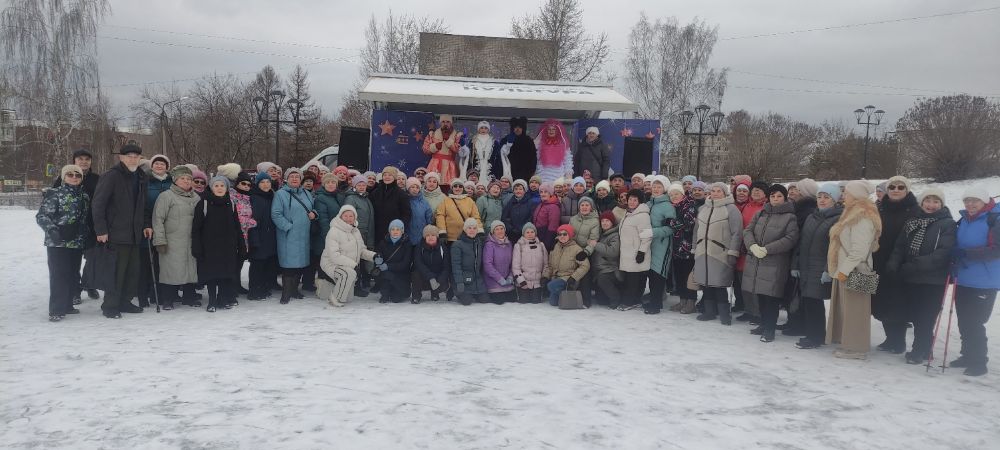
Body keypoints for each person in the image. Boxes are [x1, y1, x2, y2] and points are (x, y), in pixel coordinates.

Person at [884, 187, 957, 365]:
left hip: (933, 279)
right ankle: (926, 349)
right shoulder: (913, 221)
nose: (931, 205)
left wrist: (916, 264)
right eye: (927, 201)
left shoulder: (947, 224)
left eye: (936, 201)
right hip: (912, 277)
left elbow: (943, 252)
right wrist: (893, 264)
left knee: (926, 316)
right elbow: (901, 245)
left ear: (941, 204)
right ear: (921, 202)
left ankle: (918, 350)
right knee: (917, 316)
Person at [91, 144, 151, 318]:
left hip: (135, 234)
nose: (133, 159)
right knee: (117, 272)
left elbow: (144, 205)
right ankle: (110, 306)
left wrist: (146, 224)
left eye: (136, 156)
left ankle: (125, 301)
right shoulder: (112, 176)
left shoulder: (141, 177)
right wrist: (101, 230)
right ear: (121, 157)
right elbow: (98, 204)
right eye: (129, 156)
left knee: (132, 272)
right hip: (116, 233)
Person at [826, 180, 882, 360]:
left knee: (856, 311)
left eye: (847, 193)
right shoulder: (852, 212)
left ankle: (856, 348)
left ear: (856, 195)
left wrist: (844, 270)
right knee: (848, 310)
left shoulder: (863, 216)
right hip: (847, 269)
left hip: (856, 270)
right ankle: (848, 343)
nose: (844, 195)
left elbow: (859, 250)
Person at [949, 186, 999, 376]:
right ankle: (967, 355)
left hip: (984, 280)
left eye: (975, 200)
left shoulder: (994, 219)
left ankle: (979, 362)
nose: (970, 204)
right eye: (967, 200)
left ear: (984, 201)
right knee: (964, 320)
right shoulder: (964, 219)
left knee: (975, 322)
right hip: (963, 278)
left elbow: (996, 250)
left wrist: (966, 253)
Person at [742, 184, 800, 342]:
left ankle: (770, 329)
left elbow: (790, 238)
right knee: (760, 295)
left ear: (785, 198)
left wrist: (767, 249)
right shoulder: (761, 213)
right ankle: (763, 323)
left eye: (779, 196)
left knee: (771, 298)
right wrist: (752, 246)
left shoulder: (790, 217)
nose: (775, 199)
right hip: (756, 261)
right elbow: (747, 231)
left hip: (774, 262)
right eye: (773, 196)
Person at [792, 183, 843, 349]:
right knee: (808, 300)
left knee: (815, 301)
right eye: (820, 197)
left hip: (820, 267)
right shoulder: (811, 217)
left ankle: (816, 337)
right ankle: (812, 334)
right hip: (806, 265)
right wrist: (796, 264)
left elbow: (836, 248)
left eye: (826, 197)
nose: (822, 200)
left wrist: (828, 269)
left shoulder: (838, 219)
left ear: (835, 200)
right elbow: (801, 242)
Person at [872, 175, 920, 354]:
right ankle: (889, 339)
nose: (896, 190)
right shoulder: (880, 207)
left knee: (897, 304)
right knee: (881, 302)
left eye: (901, 187)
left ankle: (898, 341)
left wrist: (903, 261)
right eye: (892, 187)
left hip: (901, 264)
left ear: (907, 190)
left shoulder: (915, 210)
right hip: (878, 261)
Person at [37, 164, 92, 321]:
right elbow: (42, 216)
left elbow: (85, 218)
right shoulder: (55, 193)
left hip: (76, 242)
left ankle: (68, 305)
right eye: (70, 174)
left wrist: (86, 233)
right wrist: (52, 230)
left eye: (77, 175)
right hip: (58, 242)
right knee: (59, 275)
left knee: (72, 274)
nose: (74, 177)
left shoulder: (84, 196)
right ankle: (56, 309)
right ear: (63, 177)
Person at [52, 149, 101, 302]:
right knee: (74, 261)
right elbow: (54, 200)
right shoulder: (63, 178)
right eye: (80, 159)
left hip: (92, 225)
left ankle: (89, 284)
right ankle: (75, 290)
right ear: (74, 160)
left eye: (87, 159)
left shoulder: (97, 179)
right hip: (71, 228)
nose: (84, 162)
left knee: (92, 258)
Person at [192, 176, 245, 312]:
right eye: (216, 186)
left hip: (228, 246)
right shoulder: (203, 203)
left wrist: (241, 244)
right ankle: (212, 301)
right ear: (211, 188)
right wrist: (197, 246)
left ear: (227, 188)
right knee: (212, 274)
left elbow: (237, 226)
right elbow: (196, 228)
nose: (219, 188)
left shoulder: (231, 203)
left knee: (225, 273)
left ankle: (222, 299)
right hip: (210, 246)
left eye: (222, 186)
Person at [150, 165, 200, 310]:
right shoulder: (166, 196)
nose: (186, 181)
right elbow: (158, 219)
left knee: (191, 268)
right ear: (175, 180)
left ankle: (189, 296)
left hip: (191, 240)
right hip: (172, 242)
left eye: (189, 179)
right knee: (170, 270)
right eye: (182, 178)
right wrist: (159, 240)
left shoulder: (196, 197)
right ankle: (168, 298)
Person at [692, 183, 743, 325]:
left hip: (720, 253)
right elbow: (696, 231)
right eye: (713, 191)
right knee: (706, 284)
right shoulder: (703, 208)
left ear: (725, 193)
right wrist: (694, 248)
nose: (715, 193)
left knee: (719, 284)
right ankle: (709, 312)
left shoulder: (731, 209)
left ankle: (724, 314)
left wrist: (733, 251)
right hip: (703, 252)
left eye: (719, 191)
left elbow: (737, 233)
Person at [270, 168, 316, 304]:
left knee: (300, 264)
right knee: (288, 265)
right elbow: (276, 214)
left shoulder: (307, 193)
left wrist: (314, 214)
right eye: (292, 177)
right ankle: (286, 293)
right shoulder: (280, 194)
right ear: (286, 179)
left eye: (297, 177)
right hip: (288, 236)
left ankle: (294, 290)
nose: (295, 179)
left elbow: (313, 208)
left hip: (304, 234)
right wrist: (288, 227)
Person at [317, 205, 377, 307]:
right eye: (345, 216)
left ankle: (323, 286)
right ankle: (334, 298)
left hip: (348, 265)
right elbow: (334, 255)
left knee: (348, 298)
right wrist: (354, 265)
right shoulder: (334, 231)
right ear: (340, 216)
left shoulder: (355, 231)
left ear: (355, 217)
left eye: (351, 216)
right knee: (348, 274)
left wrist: (374, 256)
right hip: (331, 263)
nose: (348, 218)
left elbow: (361, 250)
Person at [138, 154, 172, 308]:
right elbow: (142, 205)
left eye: (162, 164)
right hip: (148, 227)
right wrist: (146, 224)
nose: (159, 166)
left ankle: (156, 294)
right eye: (156, 163)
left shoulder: (171, 182)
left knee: (161, 263)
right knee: (146, 262)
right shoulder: (145, 181)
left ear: (167, 167)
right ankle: (142, 295)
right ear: (152, 166)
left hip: (166, 228)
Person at [645, 175, 677, 315]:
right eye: (654, 186)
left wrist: (653, 232)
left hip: (662, 244)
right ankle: (654, 301)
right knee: (651, 274)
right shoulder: (648, 204)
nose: (656, 189)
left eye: (659, 187)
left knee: (658, 274)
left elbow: (671, 228)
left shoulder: (667, 206)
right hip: (648, 244)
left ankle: (655, 304)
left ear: (664, 189)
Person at [342, 174, 376, 297]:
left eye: (363, 185)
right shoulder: (351, 198)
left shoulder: (365, 198)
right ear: (354, 186)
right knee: (354, 260)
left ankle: (362, 283)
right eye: (359, 185)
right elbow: (348, 218)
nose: (362, 187)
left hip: (366, 233)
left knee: (362, 260)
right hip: (356, 234)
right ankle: (354, 286)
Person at [618, 189, 653, 309]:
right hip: (627, 252)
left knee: (633, 279)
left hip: (636, 252)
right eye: (630, 199)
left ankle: (630, 302)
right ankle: (634, 299)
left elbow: (647, 236)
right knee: (630, 278)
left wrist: (641, 252)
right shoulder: (628, 213)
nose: (632, 202)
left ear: (640, 201)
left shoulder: (642, 215)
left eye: (635, 200)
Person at [667, 183, 698, 314]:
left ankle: (691, 302)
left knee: (688, 276)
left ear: (682, 194)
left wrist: (670, 222)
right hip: (676, 247)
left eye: (676, 194)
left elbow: (688, 224)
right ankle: (682, 300)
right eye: (671, 195)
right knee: (679, 276)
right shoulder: (673, 207)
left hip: (687, 247)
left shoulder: (689, 205)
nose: (674, 197)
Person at [247, 172, 278, 300]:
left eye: (268, 182)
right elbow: (253, 220)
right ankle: (253, 291)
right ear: (257, 184)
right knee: (257, 265)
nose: (266, 185)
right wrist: (254, 239)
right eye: (262, 182)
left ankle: (263, 288)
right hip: (258, 236)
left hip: (269, 236)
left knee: (266, 264)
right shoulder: (254, 197)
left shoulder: (272, 196)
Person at [544, 224, 590, 307]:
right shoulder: (555, 247)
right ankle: (566, 294)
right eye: (560, 234)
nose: (562, 236)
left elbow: (585, 266)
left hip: (568, 279)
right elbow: (550, 265)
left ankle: (571, 294)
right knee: (553, 303)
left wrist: (574, 277)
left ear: (570, 235)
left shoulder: (576, 249)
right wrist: (545, 276)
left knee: (550, 285)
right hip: (556, 278)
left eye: (565, 234)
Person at [569, 196, 601, 306]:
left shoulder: (595, 221)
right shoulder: (573, 219)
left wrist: (586, 252)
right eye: (582, 205)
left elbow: (594, 239)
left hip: (585, 251)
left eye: (587, 205)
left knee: (585, 273)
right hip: (573, 249)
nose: (584, 207)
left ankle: (586, 299)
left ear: (591, 207)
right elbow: (569, 234)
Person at [451, 218, 489, 305]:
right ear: (465, 229)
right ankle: (459, 293)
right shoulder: (457, 245)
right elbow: (456, 266)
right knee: (467, 301)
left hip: (477, 280)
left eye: (474, 228)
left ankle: (475, 292)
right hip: (463, 280)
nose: (472, 230)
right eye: (469, 228)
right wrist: (459, 282)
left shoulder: (479, 243)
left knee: (485, 300)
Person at [374, 220, 413, 303]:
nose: (395, 232)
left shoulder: (407, 244)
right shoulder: (383, 242)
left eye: (398, 229)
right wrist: (378, 258)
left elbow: (405, 264)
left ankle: (396, 291)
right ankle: (385, 294)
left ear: (402, 231)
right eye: (393, 229)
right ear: (389, 231)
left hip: (401, 275)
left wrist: (388, 266)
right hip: (386, 274)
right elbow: (378, 253)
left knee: (396, 299)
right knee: (385, 275)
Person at [369, 166, 411, 243]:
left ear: (394, 177)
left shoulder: (401, 194)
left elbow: (406, 214)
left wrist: (399, 228)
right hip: (377, 231)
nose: (387, 177)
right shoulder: (375, 193)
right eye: (385, 175)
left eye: (390, 175)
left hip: (394, 232)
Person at [590, 211, 622, 309]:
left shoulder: (615, 235)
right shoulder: (601, 234)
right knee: (601, 301)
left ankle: (616, 299)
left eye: (607, 221)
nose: (604, 223)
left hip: (610, 269)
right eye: (603, 221)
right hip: (599, 269)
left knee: (602, 279)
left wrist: (596, 245)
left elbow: (613, 252)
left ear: (612, 222)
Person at [412, 225, 451, 303]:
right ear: (424, 237)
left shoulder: (442, 247)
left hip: (437, 276)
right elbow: (418, 264)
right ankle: (416, 296)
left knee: (444, 282)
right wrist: (430, 277)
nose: (430, 237)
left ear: (437, 236)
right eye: (428, 235)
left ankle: (435, 293)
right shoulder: (419, 247)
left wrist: (440, 280)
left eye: (433, 235)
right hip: (424, 276)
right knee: (416, 274)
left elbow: (446, 266)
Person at [435, 179, 482, 243]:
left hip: (466, 236)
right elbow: (440, 216)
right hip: (449, 237)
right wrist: (442, 231)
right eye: (455, 186)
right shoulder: (445, 200)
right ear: (452, 188)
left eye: (460, 186)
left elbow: (476, 217)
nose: (458, 188)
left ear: (463, 188)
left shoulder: (469, 201)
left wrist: (479, 230)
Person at [512, 223, 549, 304]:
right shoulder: (518, 246)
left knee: (536, 303)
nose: (530, 234)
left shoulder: (541, 245)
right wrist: (521, 281)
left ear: (535, 233)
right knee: (524, 303)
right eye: (527, 232)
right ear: (523, 234)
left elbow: (546, 264)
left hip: (537, 283)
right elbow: (515, 267)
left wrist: (544, 277)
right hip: (524, 282)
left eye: (532, 232)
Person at [422, 114, 463, 183]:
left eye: (448, 122)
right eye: (443, 122)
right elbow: (425, 149)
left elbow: (459, 150)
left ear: (451, 123)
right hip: (435, 164)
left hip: (450, 166)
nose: (445, 124)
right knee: (433, 182)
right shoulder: (433, 134)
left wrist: (448, 140)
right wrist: (435, 146)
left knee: (448, 184)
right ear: (440, 123)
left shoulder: (457, 135)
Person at [482, 220, 515, 304]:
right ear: (493, 232)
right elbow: (487, 265)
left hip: (507, 281)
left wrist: (510, 276)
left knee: (512, 299)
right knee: (500, 301)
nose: (500, 231)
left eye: (501, 228)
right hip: (494, 281)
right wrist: (499, 278)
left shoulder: (509, 244)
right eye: (497, 229)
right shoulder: (489, 245)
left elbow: (513, 263)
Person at [534, 119, 572, 183]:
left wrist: (568, 175)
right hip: (543, 175)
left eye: (553, 129)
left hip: (558, 176)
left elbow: (568, 161)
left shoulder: (563, 144)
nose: (551, 131)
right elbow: (535, 160)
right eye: (549, 129)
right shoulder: (540, 143)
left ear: (557, 131)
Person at [500, 116, 537, 182]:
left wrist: (531, 171)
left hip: (525, 173)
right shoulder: (506, 140)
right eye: (516, 127)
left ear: (523, 128)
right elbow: (501, 156)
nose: (517, 129)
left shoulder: (528, 140)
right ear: (512, 128)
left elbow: (533, 157)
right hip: (509, 172)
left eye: (520, 127)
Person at [502, 179, 535, 244]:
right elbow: (505, 217)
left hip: (525, 234)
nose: (518, 191)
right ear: (513, 191)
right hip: (512, 234)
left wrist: (523, 228)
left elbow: (531, 217)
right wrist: (511, 228)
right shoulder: (510, 202)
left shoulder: (530, 202)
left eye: (520, 189)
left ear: (524, 191)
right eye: (516, 189)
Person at [532, 183, 562, 250]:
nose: (543, 194)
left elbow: (553, 226)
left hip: (546, 236)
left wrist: (547, 242)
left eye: (545, 192)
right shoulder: (541, 204)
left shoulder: (553, 207)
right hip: (538, 235)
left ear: (550, 193)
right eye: (541, 192)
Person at [406, 177, 433, 247]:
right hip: (407, 238)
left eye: (417, 187)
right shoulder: (404, 201)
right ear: (408, 188)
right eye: (412, 187)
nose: (415, 189)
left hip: (421, 237)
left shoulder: (424, 202)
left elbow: (429, 219)